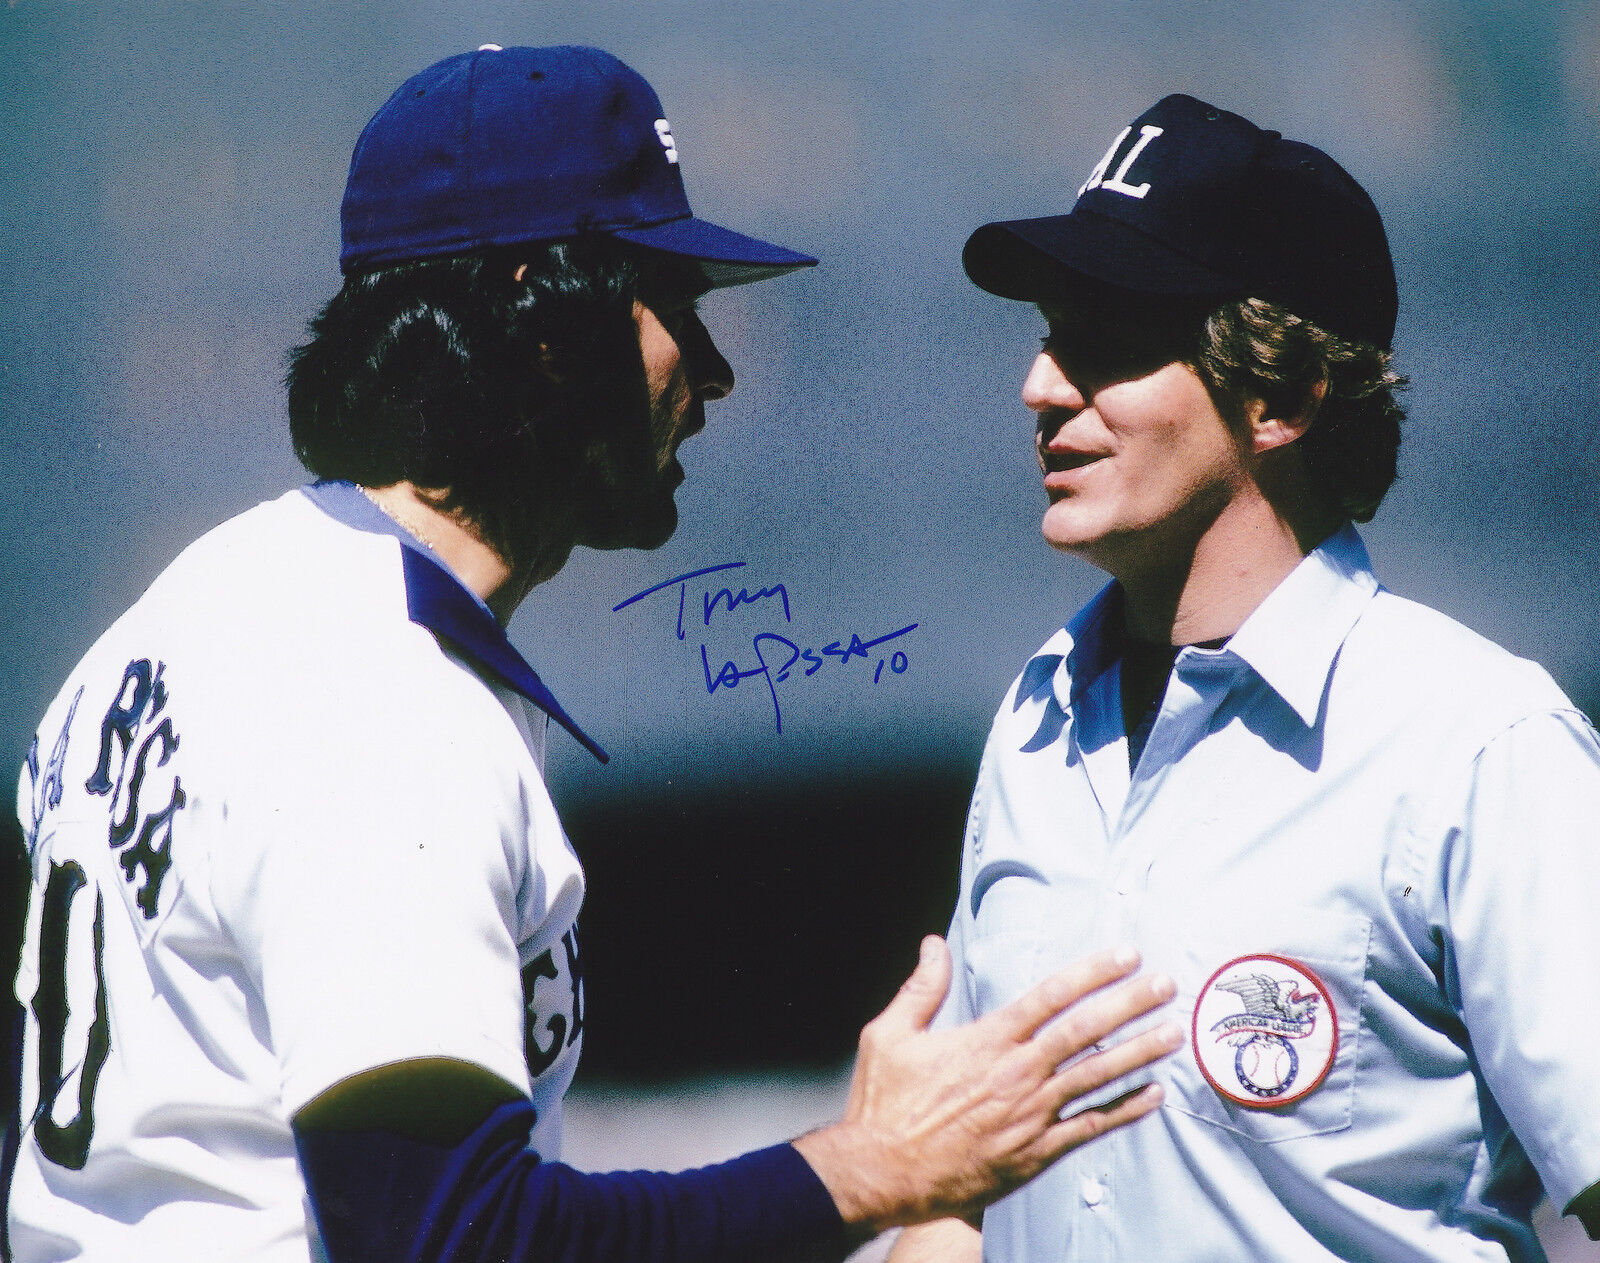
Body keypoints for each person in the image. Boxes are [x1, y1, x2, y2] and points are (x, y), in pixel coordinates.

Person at [3, 45, 1184, 1263]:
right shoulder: (376, 706)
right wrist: (871, 1167)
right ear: (546, 325)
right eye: (672, 303)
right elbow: (453, 1239)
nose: (713, 371)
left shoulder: (200, 604)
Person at [892, 94, 1600, 1263]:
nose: (1039, 386)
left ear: (1278, 396)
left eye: (1105, 339)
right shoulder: (1036, 715)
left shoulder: (1479, 746)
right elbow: (958, 1203)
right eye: (1046, 331)